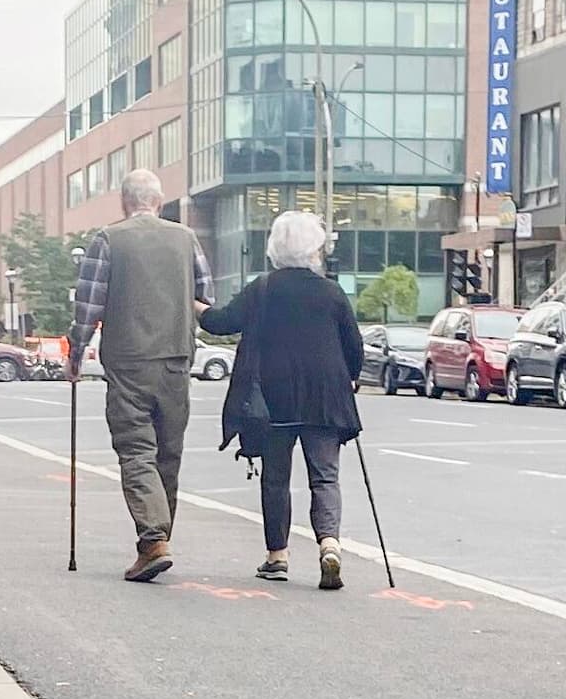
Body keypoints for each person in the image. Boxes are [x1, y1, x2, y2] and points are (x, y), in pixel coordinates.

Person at [201, 208, 367, 590]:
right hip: (325, 397)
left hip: (273, 399)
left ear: (275, 248)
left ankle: (278, 556)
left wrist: (196, 305)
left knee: (276, 479)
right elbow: (353, 346)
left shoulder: (262, 289)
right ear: (314, 250)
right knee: (325, 477)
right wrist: (351, 379)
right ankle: (329, 544)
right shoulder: (331, 292)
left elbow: (221, 323)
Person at [73, 171, 211, 582]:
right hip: (176, 357)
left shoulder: (109, 239)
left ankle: (153, 539)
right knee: (168, 451)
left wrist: (76, 352)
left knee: (136, 450)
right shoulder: (185, 239)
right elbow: (205, 296)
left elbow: (89, 305)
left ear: (123, 202)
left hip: (129, 359)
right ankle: (156, 538)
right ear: (160, 202)